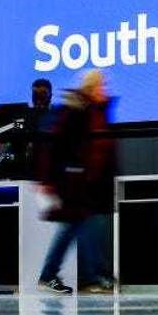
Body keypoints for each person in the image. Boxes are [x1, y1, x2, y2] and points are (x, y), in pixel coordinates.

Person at [36, 69, 116, 295]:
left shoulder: (95, 110)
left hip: (87, 183)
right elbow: (55, 148)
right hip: (73, 181)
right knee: (80, 225)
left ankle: (52, 274)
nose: (105, 88)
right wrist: (49, 181)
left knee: (73, 228)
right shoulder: (76, 110)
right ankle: (96, 276)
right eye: (101, 85)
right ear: (91, 87)